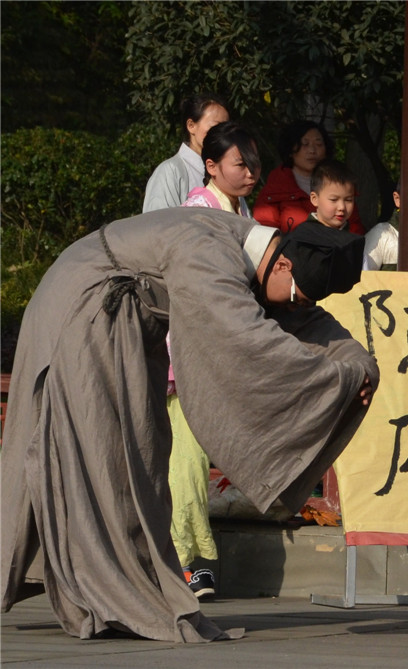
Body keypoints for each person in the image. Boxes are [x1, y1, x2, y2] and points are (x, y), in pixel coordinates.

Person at [1, 208, 377, 642]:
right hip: (87, 313)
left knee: (142, 453)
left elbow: (308, 324)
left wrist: (359, 366)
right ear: (284, 263)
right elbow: (248, 338)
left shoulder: (259, 257)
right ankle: (112, 595)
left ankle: (111, 587)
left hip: (124, 325)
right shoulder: (206, 252)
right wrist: (337, 377)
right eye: (296, 295)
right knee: (110, 459)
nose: (294, 306)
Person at [170, 121, 262, 598]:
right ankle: (192, 561)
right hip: (186, 350)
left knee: (196, 455)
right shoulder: (196, 210)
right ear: (211, 165)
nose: (250, 173)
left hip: (220, 350)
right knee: (186, 459)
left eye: (254, 164)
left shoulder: (240, 207)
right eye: (240, 164)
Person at [253, 120, 365, 234]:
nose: (312, 150)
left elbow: (355, 230)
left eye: (319, 144)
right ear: (290, 150)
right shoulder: (275, 188)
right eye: (305, 144)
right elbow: (265, 235)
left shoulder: (340, 183)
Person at [143, 93, 229, 212]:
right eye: (215, 126)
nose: (222, 133)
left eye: (226, 128)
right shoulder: (170, 171)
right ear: (191, 125)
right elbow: (157, 225)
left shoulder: (228, 171)